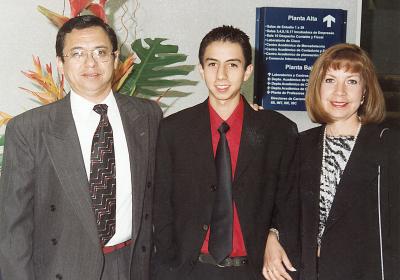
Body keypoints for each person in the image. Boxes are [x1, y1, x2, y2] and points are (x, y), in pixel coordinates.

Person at [0, 15, 162, 280]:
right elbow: (13, 230)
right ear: (61, 64)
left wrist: (248, 113)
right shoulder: (29, 129)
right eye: (77, 54)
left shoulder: (147, 115)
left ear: (116, 57)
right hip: (61, 267)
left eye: (100, 52)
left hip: (131, 265)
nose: (91, 63)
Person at [151, 25, 299, 280]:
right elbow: (161, 205)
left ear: (247, 71)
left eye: (232, 65)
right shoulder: (173, 129)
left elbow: (287, 199)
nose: (221, 76)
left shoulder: (278, 130)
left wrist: (274, 233)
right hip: (189, 270)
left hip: (253, 271)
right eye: (212, 64)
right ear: (201, 69)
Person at [298, 43, 398, 279]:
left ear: (365, 91)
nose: (340, 92)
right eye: (330, 80)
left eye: (351, 81)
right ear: (318, 88)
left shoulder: (388, 146)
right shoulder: (300, 145)